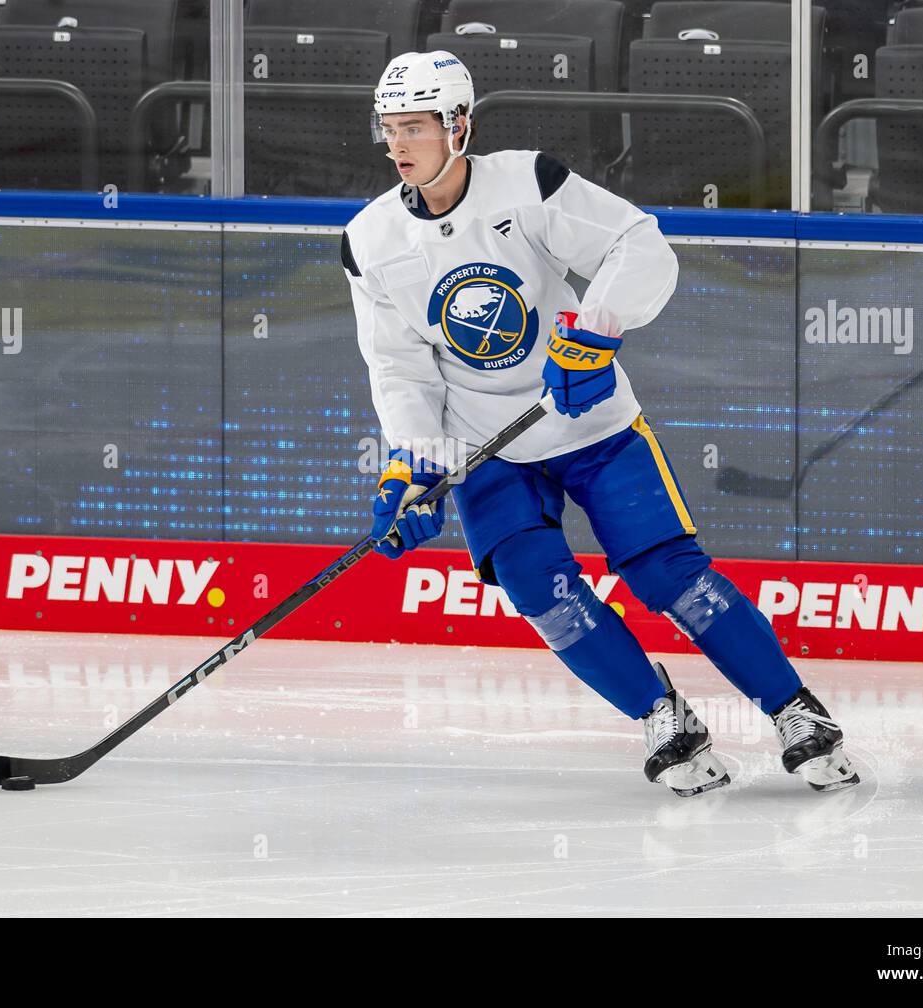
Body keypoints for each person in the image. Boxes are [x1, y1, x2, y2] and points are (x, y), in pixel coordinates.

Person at [342, 50, 858, 796]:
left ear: (460, 126)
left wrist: (595, 333)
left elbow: (638, 243)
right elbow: (399, 367)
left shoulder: (528, 183)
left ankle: (795, 712)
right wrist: (414, 465)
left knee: (667, 574)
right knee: (536, 585)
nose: (398, 145)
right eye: (389, 128)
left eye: (415, 126)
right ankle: (663, 718)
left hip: (593, 423)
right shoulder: (369, 241)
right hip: (492, 449)